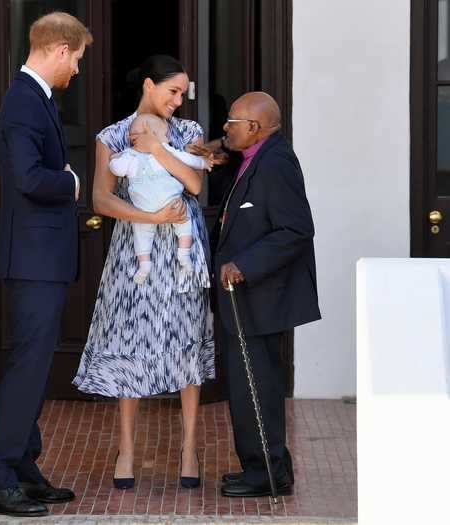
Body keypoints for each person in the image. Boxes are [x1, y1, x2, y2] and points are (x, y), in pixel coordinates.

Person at [73, 55, 218, 490]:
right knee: (131, 341)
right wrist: (150, 219)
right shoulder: (112, 136)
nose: (178, 100)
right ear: (149, 85)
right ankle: (127, 450)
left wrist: (157, 150)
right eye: (172, 91)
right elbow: (100, 199)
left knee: (187, 340)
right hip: (135, 251)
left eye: (183, 93)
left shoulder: (188, 133)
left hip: (182, 252)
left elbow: (194, 186)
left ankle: (189, 447)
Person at [0, 12, 93, 518]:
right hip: (33, 262)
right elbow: (26, 178)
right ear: (61, 50)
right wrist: (70, 183)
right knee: (26, 371)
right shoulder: (24, 100)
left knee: (35, 369)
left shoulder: (37, 99)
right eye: (78, 60)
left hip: (41, 260)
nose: (78, 72)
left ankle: (23, 468)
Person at [213, 92, 321, 498]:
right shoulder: (255, 157)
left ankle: (269, 475)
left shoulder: (276, 163)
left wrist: (245, 264)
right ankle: (260, 467)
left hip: (262, 296)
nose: (225, 127)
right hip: (246, 300)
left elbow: (296, 230)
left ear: (254, 128)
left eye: (232, 122)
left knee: (257, 388)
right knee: (248, 386)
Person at [108, 113, 215, 284]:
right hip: (170, 200)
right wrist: (203, 163)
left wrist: (114, 159)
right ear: (151, 134)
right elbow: (188, 159)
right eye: (165, 135)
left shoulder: (129, 156)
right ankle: (184, 253)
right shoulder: (166, 150)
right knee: (183, 220)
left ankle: (144, 265)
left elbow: (117, 169)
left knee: (141, 234)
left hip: (144, 207)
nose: (167, 139)